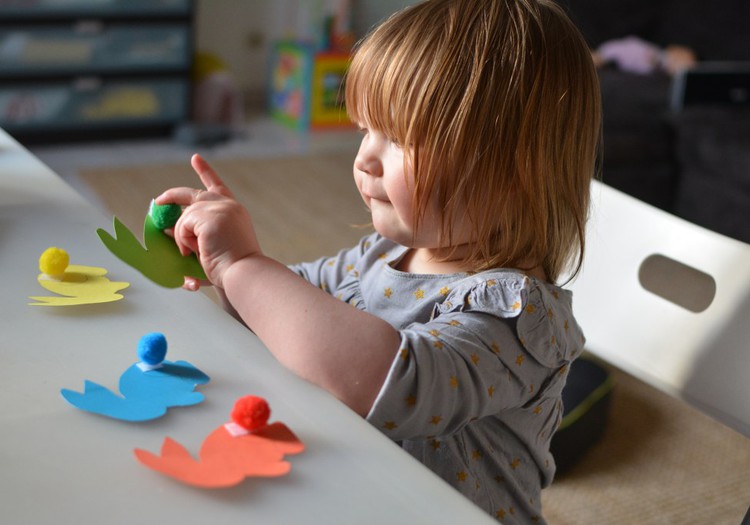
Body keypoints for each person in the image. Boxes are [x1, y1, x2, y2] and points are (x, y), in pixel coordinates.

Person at [155, 0, 601, 522]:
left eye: (400, 139)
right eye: (367, 129)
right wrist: (218, 266)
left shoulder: (519, 315)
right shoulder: (387, 254)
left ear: (511, 173)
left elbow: (396, 383)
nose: (364, 158)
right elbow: (291, 307)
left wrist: (240, 264)